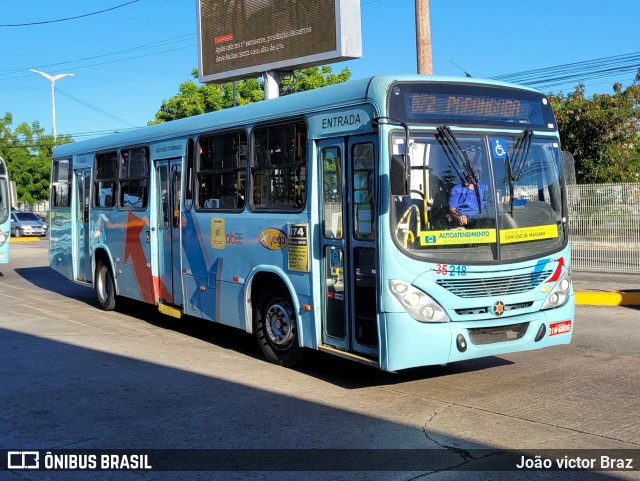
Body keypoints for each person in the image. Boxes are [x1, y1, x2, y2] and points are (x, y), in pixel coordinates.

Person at [449, 161, 490, 227]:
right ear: (467, 172)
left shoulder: (484, 187)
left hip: (484, 220)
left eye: (479, 171)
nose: (477, 174)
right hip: (466, 223)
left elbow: (492, 203)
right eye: (474, 172)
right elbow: (452, 209)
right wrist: (459, 216)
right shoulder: (457, 189)